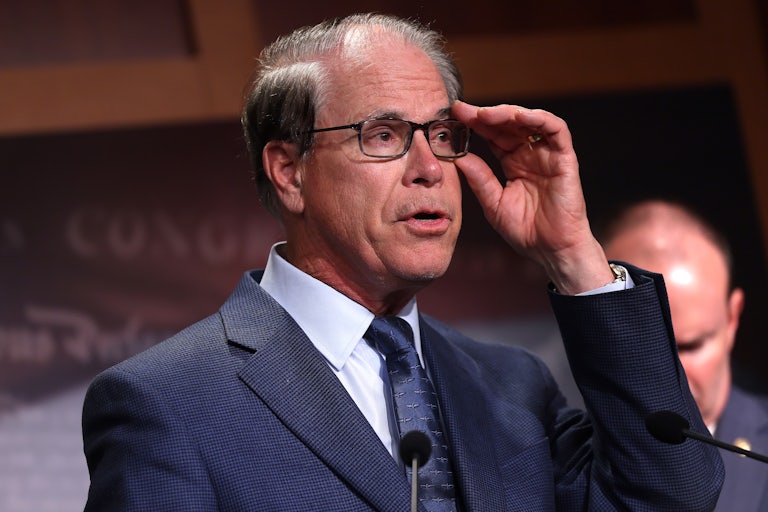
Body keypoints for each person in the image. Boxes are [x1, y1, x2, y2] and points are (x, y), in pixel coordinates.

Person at [82, 13, 723, 511]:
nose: (428, 170)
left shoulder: (512, 387)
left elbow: (672, 496)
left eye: (442, 135)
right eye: (383, 136)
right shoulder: (170, 403)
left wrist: (574, 259)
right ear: (289, 172)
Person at [602, 199, 768, 511]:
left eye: (691, 346)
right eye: (643, 352)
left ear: (732, 319)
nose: (670, 374)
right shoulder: (565, 462)